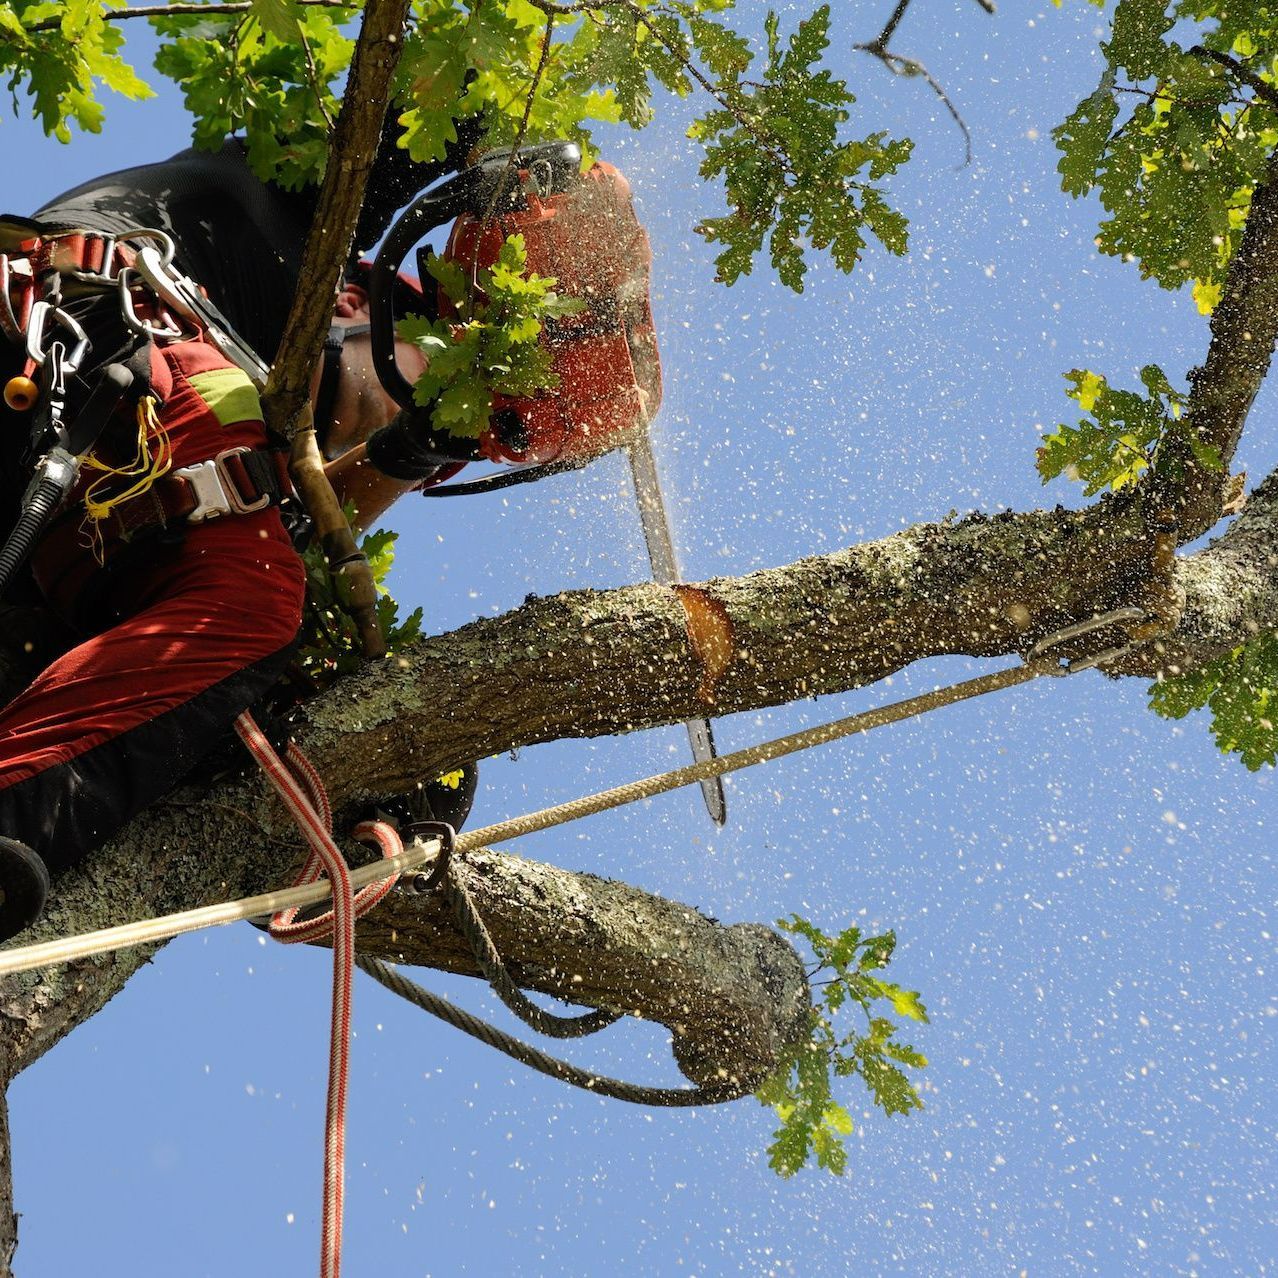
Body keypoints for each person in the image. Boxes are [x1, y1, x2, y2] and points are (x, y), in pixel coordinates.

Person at [0, 133, 466, 941]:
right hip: (71, 332)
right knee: (256, 590)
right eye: (422, 405)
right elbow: (442, 107)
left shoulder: (247, 479)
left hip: (43, 504)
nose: (384, 465)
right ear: (358, 308)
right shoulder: (282, 215)